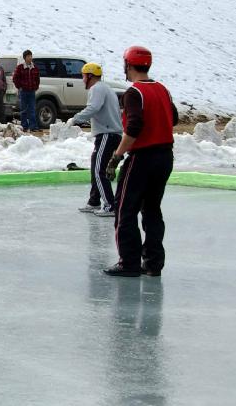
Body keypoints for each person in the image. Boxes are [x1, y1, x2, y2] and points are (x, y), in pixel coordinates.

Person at [103, 46, 178, 277]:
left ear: (128, 65)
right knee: (152, 209)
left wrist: (116, 156)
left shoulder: (134, 93)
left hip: (142, 159)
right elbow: (173, 118)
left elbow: (134, 127)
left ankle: (129, 263)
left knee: (125, 210)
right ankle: (154, 263)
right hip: (165, 157)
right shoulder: (162, 89)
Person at [71, 63, 123, 218]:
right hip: (109, 134)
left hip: (107, 134)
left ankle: (109, 205)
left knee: (99, 170)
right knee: (96, 166)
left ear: (90, 76)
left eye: (83, 76)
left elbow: (93, 108)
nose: (82, 80)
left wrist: (75, 119)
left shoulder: (97, 88)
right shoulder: (106, 88)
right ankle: (94, 201)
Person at [13, 49, 40, 131]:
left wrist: (36, 87)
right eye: (28, 56)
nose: (30, 58)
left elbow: (37, 79)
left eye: (31, 56)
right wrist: (19, 87)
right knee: (23, 109)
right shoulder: (20, 67)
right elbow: (15, 78)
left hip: (32, 91)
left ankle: (33, 126)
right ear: (25, 58)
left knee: (32, 109)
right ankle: (24, 126)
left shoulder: (35, 67)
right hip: (23, 91)